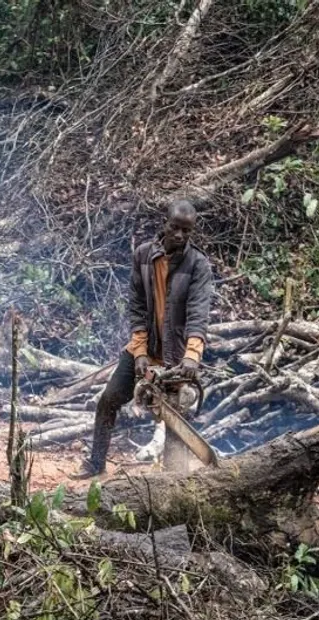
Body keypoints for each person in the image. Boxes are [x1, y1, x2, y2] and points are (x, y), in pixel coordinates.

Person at [70, 200, 214, 480]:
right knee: (109, 399)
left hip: (177, 355)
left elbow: (198, 314)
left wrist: (192, 356)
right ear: (165, 223)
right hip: (146, 347)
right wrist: (139, 351)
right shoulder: (144, 256)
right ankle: (96, 463)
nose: (180, 236)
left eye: (187, 231)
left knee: (176, 418)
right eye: (175, 228)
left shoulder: (198, 265)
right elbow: (136, 306)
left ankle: (177, 479)